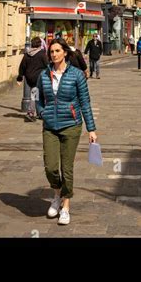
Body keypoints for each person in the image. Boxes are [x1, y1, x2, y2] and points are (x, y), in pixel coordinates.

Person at [36, 37, 97, 226]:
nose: (54, 55)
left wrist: (91, 129)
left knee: (66, 168)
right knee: (51, 167)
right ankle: (56, 194)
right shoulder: (44, 75)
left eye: (57, 51)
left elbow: (85, 102)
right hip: (50, 126)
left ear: (65, 53)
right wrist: (42, 112)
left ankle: (66, 207)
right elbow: (37, 96)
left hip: (71, 125)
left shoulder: (77, 75)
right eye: (51, 52)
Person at [16, 36, 49, 122]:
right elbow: (47, 65)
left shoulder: (27, 54)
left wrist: (20, 78)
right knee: (35, 95)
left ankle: (39, 112)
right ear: (40, 45)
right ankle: (31, 113)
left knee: (36, 94)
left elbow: (22, 66)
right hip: (38, 77)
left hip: (29, 78)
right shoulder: (41, 54)